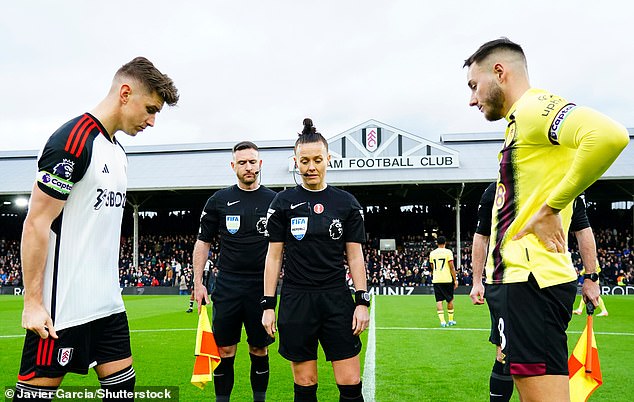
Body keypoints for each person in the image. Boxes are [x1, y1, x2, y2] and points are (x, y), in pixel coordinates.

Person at [464, 37, 628, 401]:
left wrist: (552, 206)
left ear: (500, 72)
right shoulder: (518, 122)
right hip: (522, 281)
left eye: (475, 86)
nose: (472, 99)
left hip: (531, 282)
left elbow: (609, 136)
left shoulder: (534, 108)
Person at [14, 57, 179, 401]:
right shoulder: (72, 141)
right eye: (150, 109)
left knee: (123, 390)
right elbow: (36, 222)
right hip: (63, 308)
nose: (152, 120)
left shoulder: (118, 152)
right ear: (124, 93)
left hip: (108, 303)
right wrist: (32, 303)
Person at [262, 118, 370, 402]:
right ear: (295, 161)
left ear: (328, 160)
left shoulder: (346, 203)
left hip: (337, 299)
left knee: (349, 382)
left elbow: (355, 256)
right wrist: (268, 305)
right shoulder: (282, 203)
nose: (311, 167)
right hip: (297, 300)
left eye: (318, 160)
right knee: (305, 383)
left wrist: (362, 301)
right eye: (305, 160)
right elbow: (273, 257)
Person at [470, 185, 603, 401]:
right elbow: (481, 235)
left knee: (533, 367)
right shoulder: (495, 191)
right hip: (510, 282)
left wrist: (591, 277)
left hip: (549, 283)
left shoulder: (567, 187)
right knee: (505, 355)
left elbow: (583, 229)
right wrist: (477, 281)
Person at [193, 141, 276, 402]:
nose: (248, 167)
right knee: (224, 349)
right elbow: (202, 241)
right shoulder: (219, 200)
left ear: (260, 164)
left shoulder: (275, 200)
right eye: (242, 162)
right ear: (233, 166)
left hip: (261, 287)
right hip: (228, 285)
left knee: (259, 348)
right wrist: (198, 282)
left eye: (252, 162)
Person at [429, 236, 457, 327]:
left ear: (437, 243)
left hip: (437, 279)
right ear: (445, 243)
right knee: (450, 299)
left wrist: (435, 273)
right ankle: (450, 320)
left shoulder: (432, 253)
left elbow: (432, 266)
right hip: (447, 279)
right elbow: (451, 266)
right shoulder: (448, 252)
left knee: (439, 300)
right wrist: (455, 279)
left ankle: (442, 322)